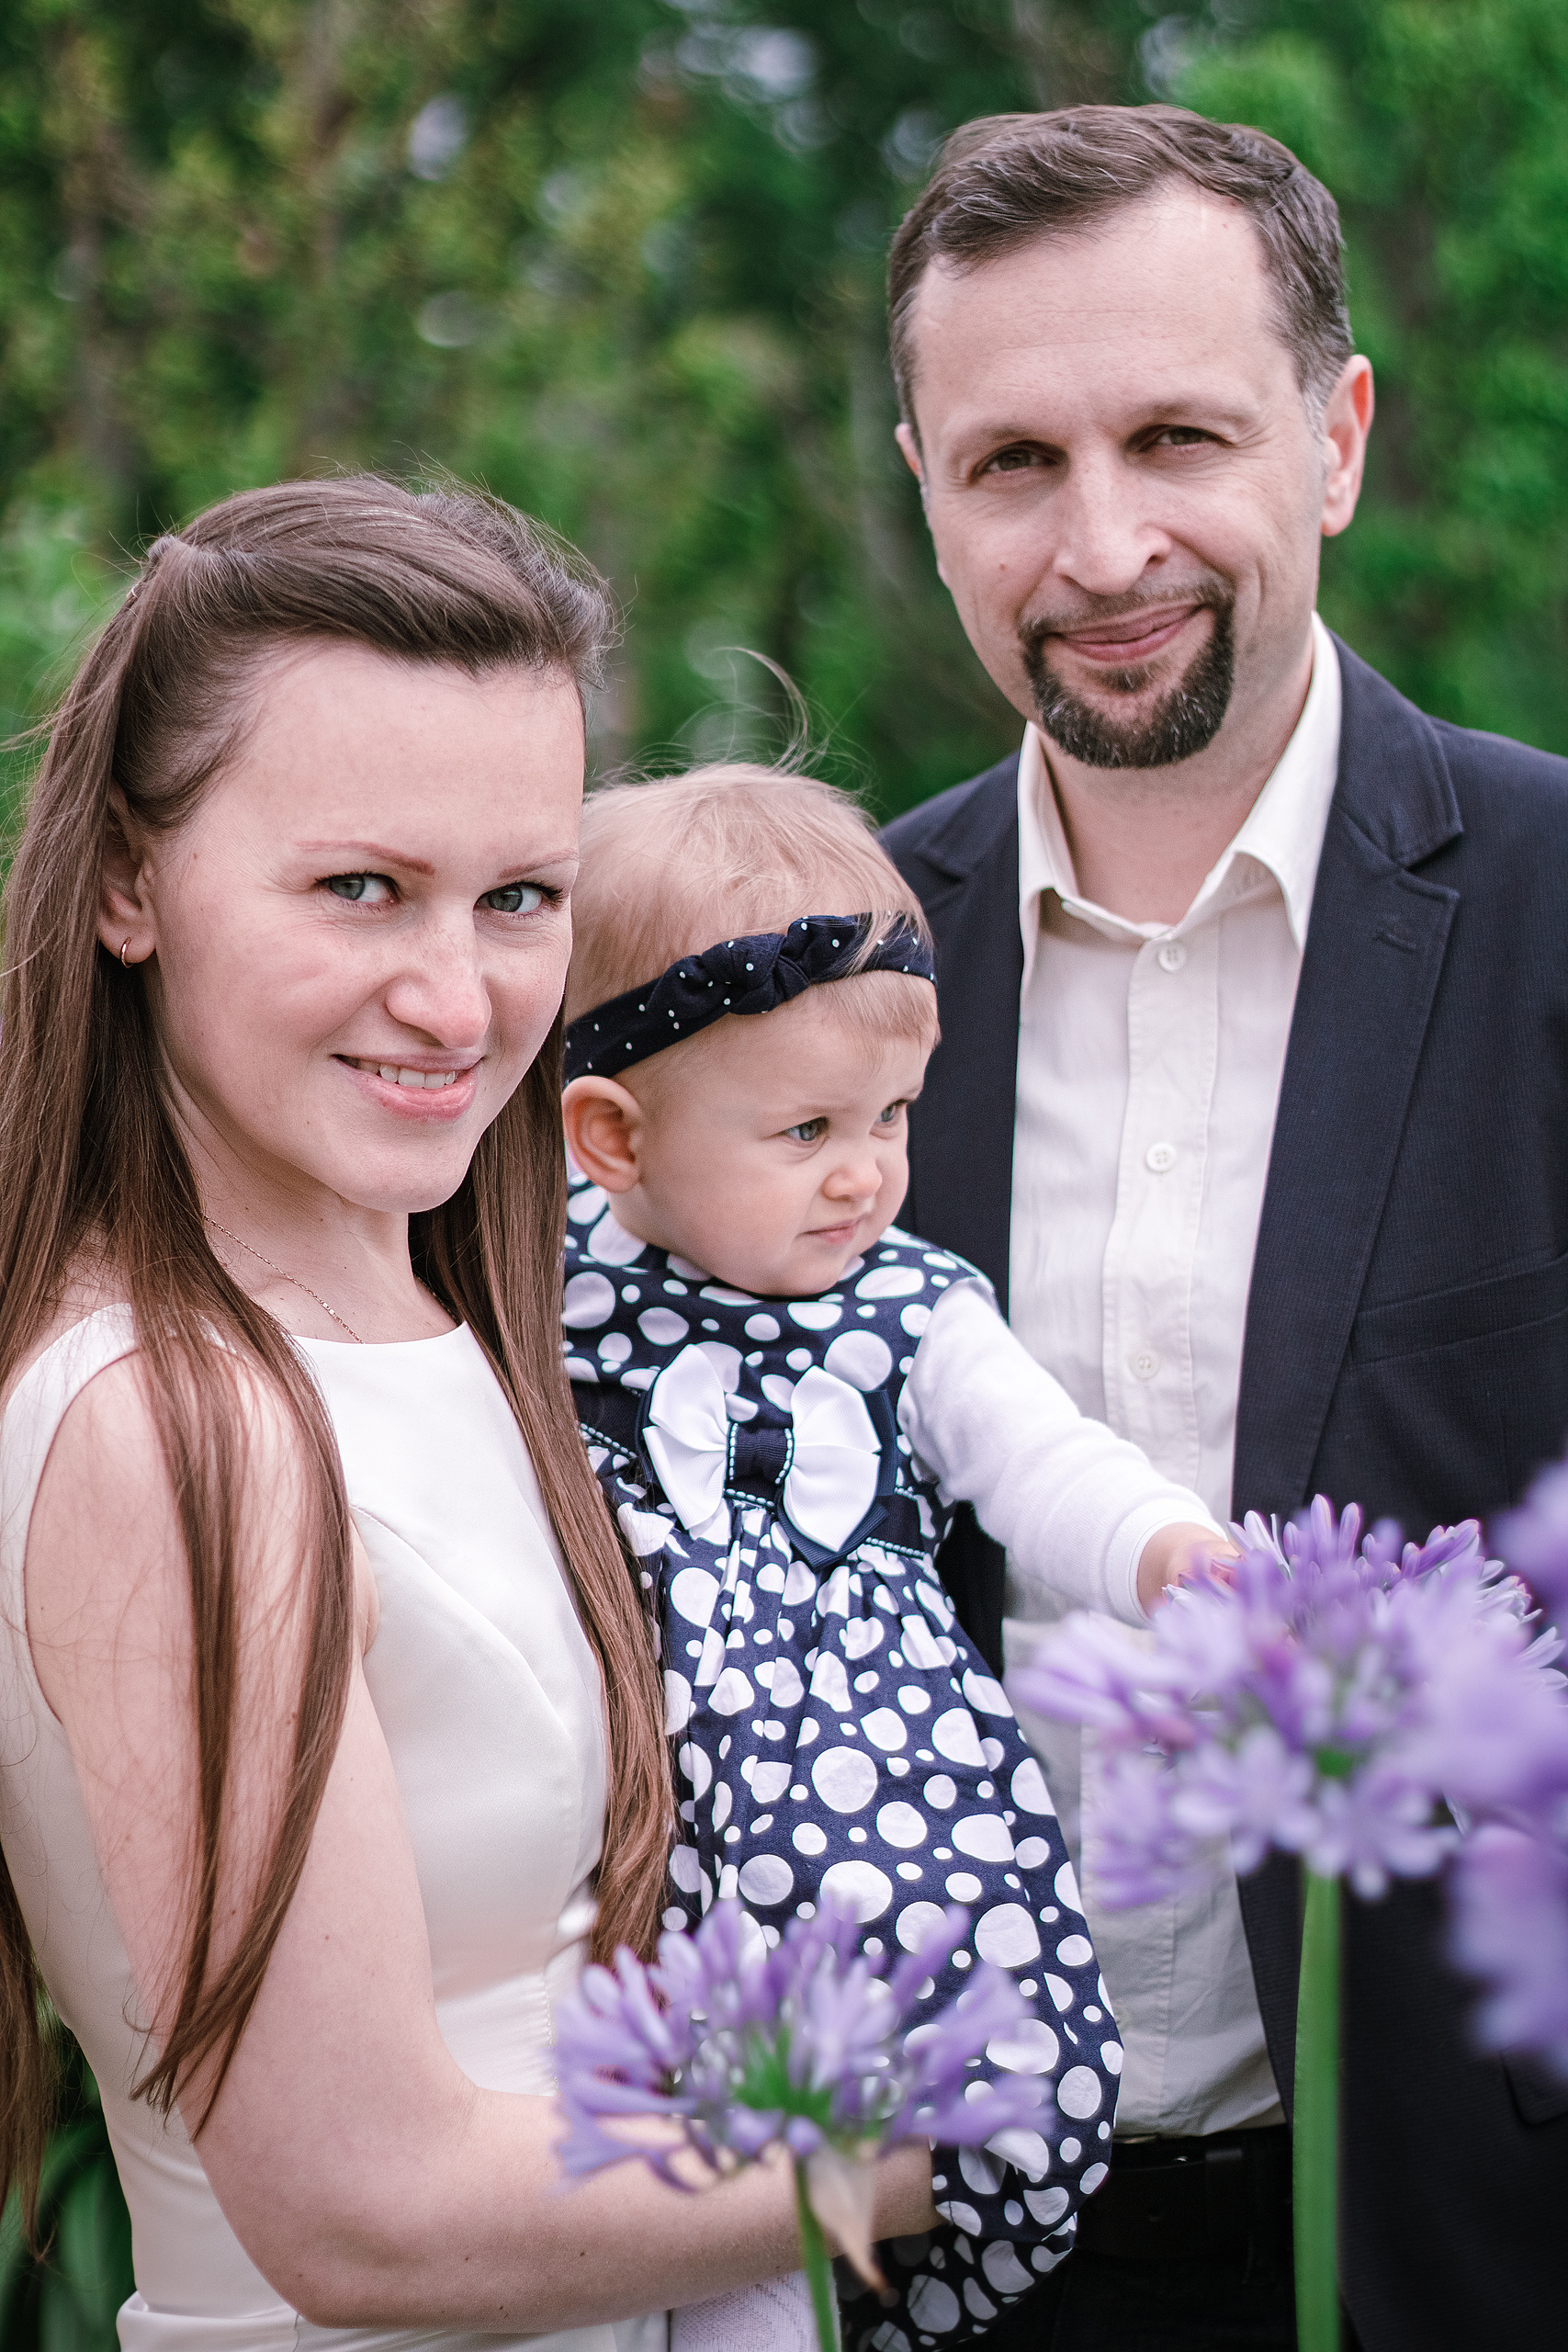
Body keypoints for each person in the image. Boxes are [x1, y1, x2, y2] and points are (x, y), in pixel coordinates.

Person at [0, 478, 941, 2351]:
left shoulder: (465, 1314)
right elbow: (370, 2214)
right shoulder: (166, 1419)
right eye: (360, 887)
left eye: (518, 896)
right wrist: (902, 2145)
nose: (455, 994)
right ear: (126, 880)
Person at [879, 102, 1568, 2352]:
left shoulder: (1554, 903)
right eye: (1009, 464)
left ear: (1338, 437)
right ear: (922, 482)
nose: (1100, 547)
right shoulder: (822, 961)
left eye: (1176, 436)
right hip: (928, 2233)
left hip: (1458, 2229)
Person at [555, 761, 1231, 2351]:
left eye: (892, 1117)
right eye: (806, 1129)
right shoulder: (537, 1299)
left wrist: (1164, 1554)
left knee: (777, 2254)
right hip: (635, 1859)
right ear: (612, 1137)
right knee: (631, 2235)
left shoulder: (911, 1308)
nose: (867, 1171)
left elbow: (1041, 1459)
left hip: (874, 1842)